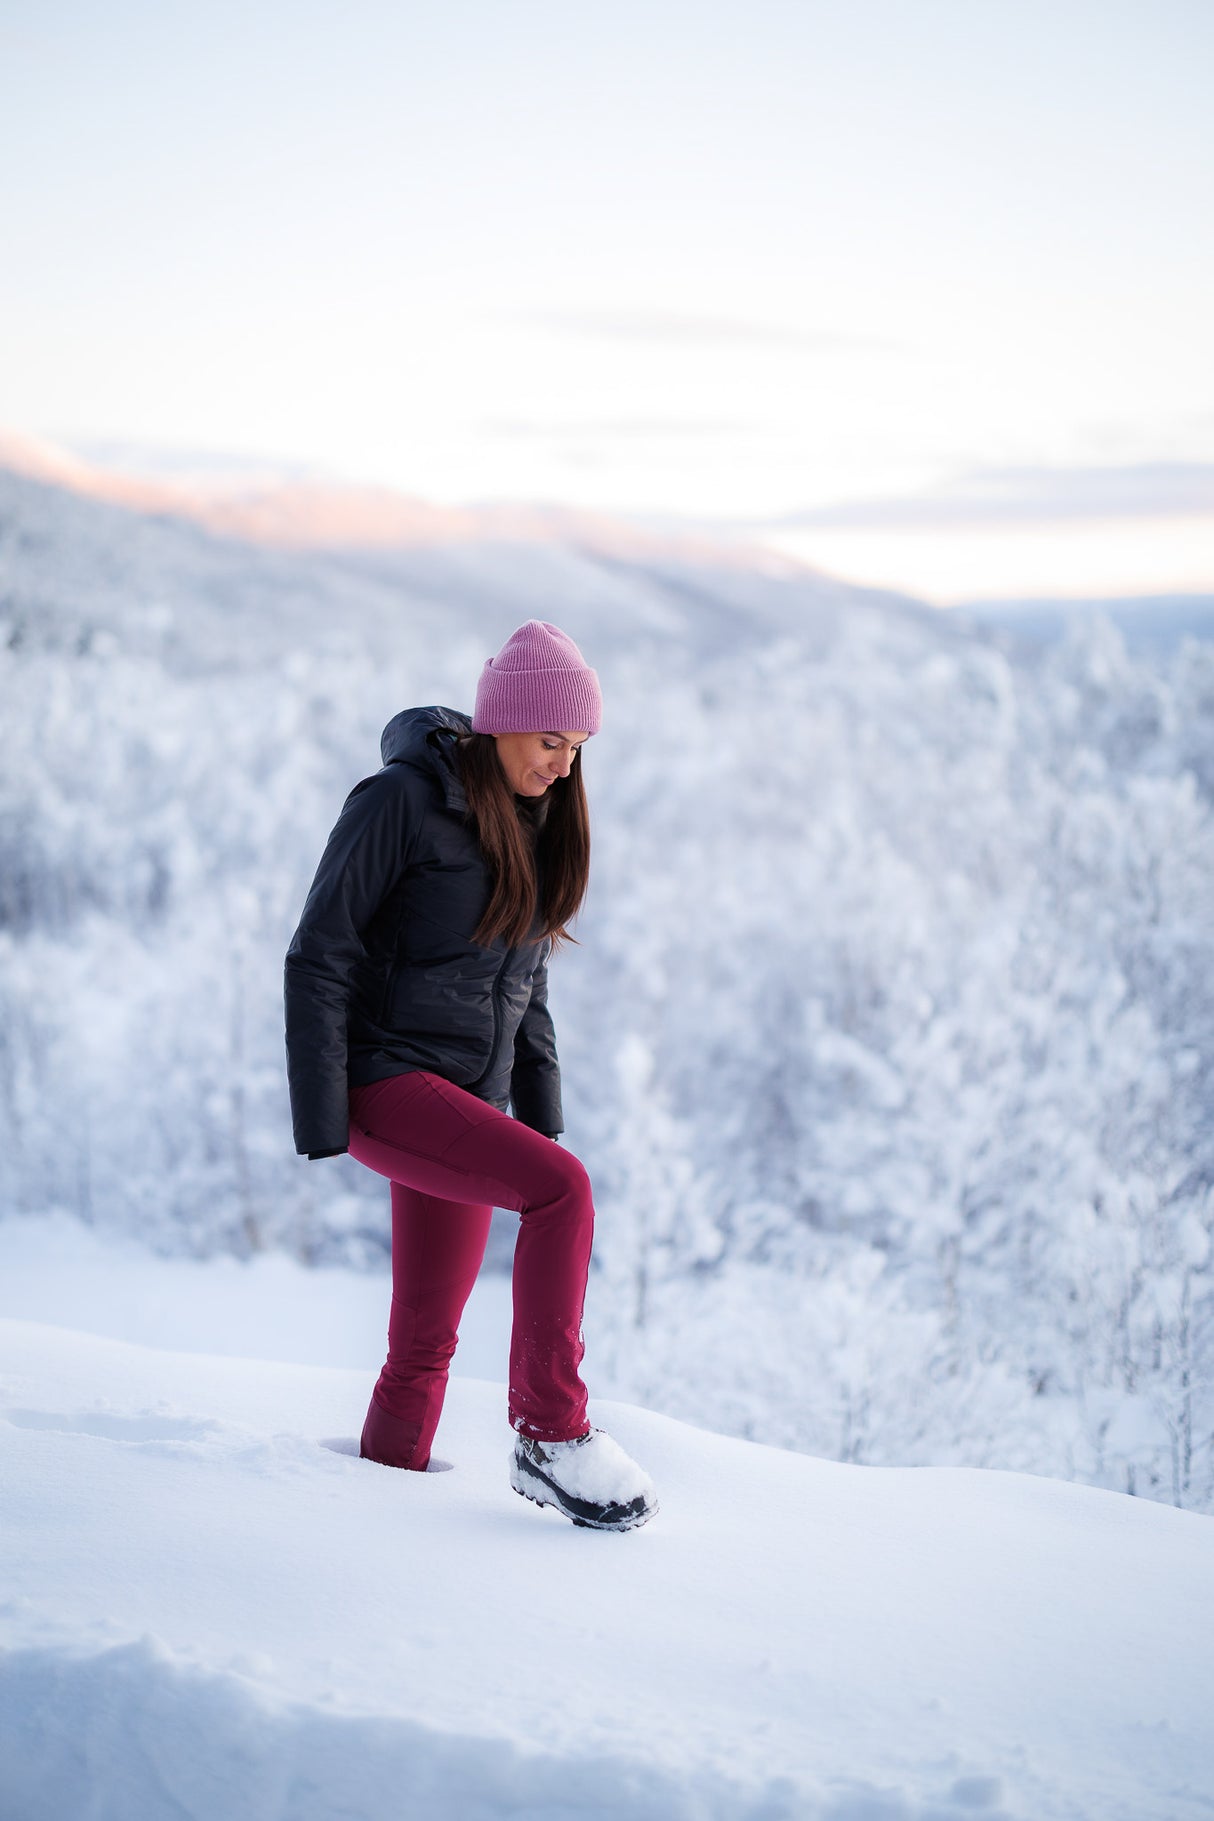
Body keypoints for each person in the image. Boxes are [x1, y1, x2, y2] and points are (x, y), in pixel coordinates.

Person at [284, 620, 658, 1532]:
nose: (563, 767)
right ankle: (550, 1430)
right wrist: (326, 1115)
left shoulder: (530, 825)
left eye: (576, 751)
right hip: (386, 1083)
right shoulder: (400, 802)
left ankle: (375, 1509)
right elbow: (318, 950)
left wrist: (538, 1115)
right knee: (562, 1192)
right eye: (549, 743)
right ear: (500, 726)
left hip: (464, 1102)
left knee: (423, 1342)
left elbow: (523, 988)